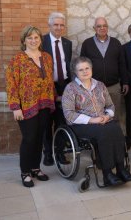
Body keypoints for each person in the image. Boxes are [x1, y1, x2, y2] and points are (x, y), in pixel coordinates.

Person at [62, 57, 131, 185]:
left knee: (116, 128)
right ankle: (107, 173)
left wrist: (107, 116)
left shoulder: (100, 85)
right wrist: (92, 120)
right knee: (103, 132)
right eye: (81, 70)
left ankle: (120, 168)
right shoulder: (70, 88)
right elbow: (69, 114)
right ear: (75, 72)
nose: (85, 72)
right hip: (81, 125)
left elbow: (110, 106)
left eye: (87, 68)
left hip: (102, 121)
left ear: (91, 69)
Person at [6, 26, 55, 187]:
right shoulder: (17, 59)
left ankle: (35, 167)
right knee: (29, 138)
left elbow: (49, 80)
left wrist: (54, 97)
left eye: (36, 37)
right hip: (26, 106)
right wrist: (15, 107)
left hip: (44, 104)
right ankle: (25, 172)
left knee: (40, 137)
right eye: (30, 38)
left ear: (41, 40)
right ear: (24, 40)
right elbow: (11, 84)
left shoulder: (47, 57)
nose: (33, 41)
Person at [80, 17, 129, 127]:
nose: (102, 28)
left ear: (107, 27)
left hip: (114, 87)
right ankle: (102, 141)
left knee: (115, 116)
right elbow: (82, 65)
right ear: (94, 28)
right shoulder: (87, 44)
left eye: (104, 26)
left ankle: (117, 141)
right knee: (97, 116)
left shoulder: (116, 43)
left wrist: (125, 82)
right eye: (99, 26)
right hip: (94, 88)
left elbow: (122, 63)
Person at [41, 12, 72, 166]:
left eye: (61, 25)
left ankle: (59, 153)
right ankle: (48, 154)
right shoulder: (41, 41)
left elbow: (67, 65)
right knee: (47, 122)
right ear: (50, 26)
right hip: (47, 87)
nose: (59, 27)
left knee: (62, 121)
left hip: (64, 85)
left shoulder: (67, 43)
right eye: (56, 25)